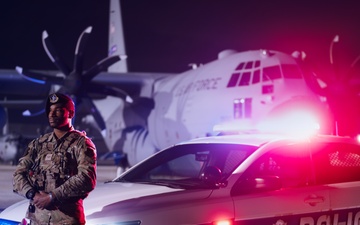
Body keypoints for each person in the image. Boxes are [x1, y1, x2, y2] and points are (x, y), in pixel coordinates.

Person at [13, 93, 97, 225]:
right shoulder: (39, 144)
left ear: (70, 113)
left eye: (58, 110)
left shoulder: (81, 144)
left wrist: (52, 196)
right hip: (38, 219)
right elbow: (18, 175)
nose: (52, 114)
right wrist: (33, 195)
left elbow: (87, 179)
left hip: (66, 220)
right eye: (50, 110)